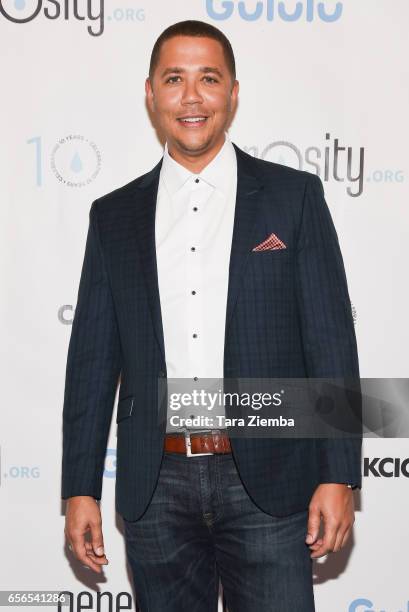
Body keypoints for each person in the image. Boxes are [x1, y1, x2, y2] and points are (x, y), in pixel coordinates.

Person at [62, 19, 362, 612]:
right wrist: (79, 488)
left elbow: (330, 340)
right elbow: (93, 363)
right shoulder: (113, 216)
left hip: (270, 481)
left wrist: (339, 473)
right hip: (157, 485)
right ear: (151, 94)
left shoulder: (293, 198)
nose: (191, 97)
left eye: (209, 79)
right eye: (175, 79)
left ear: (233, 92)